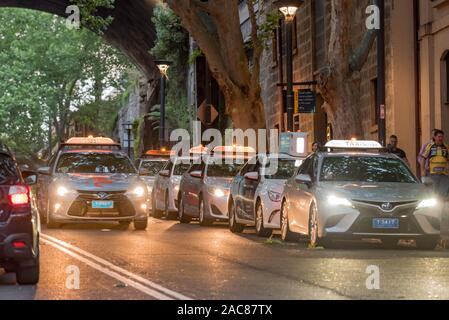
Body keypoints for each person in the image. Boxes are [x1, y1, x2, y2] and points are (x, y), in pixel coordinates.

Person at [420, 129, 449, 198]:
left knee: (443, 194)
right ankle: (434, 208)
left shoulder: (446, 147)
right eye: (439, 137)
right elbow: (423, 159)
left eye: (442, 137)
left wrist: (448, 166)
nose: (440, 138)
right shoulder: (430, 146)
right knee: (433, 193)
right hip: (433, 174)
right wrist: (423, 170)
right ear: (435, 137)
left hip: (444, 174)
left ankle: (442, 207)